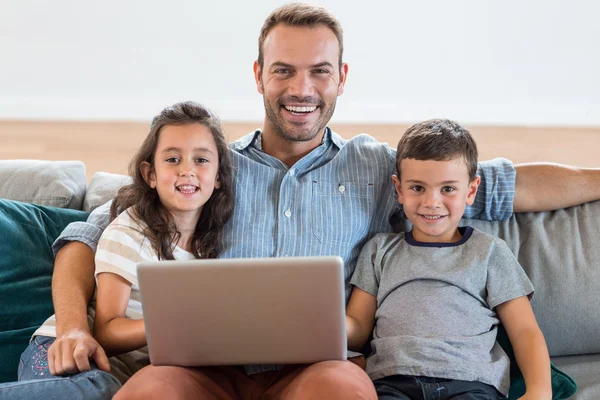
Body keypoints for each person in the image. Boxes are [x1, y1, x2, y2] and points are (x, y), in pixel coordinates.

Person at [2, 2, 599, 400]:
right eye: (284, 70)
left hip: (312, 374)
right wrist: (74, 329)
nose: (301, 89)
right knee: (153, 389)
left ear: (342, 77)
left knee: (345, 385)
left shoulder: (378, 167)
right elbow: (86, 236)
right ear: (258, 74)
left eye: (319, 71)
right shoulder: (205, 166)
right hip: (206, 370)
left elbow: (505, 185)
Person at [0, 101, 233, 400]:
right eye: (173, 159)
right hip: (63, 353)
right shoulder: (129, 232)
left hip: (118, 376)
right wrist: (176, 324)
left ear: (218, 177)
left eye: (201, 160)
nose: (187, 170)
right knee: (100, 390)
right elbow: (107, 330)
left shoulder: (213, 246)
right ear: (150, 174)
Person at [346, 119, 551, 400]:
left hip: (471, 380)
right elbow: (357, 328)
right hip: (393, 381)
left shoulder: (489, 251)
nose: (432, 201)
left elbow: (525, 331)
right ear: (399, 189)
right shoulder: (379, 250)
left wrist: (540, 391)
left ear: (470, 190)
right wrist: (321, 325)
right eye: (417, 188)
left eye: (448, 189)